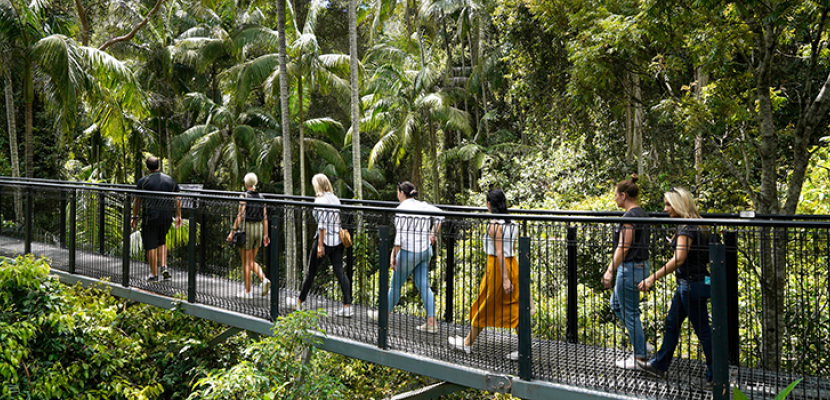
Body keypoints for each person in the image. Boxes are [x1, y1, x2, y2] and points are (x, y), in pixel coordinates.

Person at [637, 187, 713, 392]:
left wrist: (652, 278)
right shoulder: (699, 225)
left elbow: (679, 259)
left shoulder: (686, 228)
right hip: (694, 284)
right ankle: (659, 365)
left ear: (679, 205)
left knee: (703, 331)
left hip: (691, 285)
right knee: (672, 324)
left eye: (668, 204)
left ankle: (715, 376)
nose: (665, 208)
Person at [448, 189, 520, 360]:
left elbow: (500, 252)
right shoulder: (513, 223)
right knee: (514, 306)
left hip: (497, 267)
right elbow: (513, 248)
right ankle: (524, 349)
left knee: (485, 303)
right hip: (513, 265)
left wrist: (504, 279)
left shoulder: (494, 225)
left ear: (489, 204)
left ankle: (466, 343)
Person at [368, 181, 443, 333]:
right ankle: (431, 322)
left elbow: (399, 239)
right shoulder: (423, 205)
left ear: (401, 193)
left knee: (395, 286)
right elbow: (441, 216)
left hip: (409, 253)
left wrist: (393, 255)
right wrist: (432, 232)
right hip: (425, 251)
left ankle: (382, 315)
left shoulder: (401, 209)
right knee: (425, 286)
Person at [601, 174, 652, 369]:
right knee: (616, 305)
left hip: (630, 268)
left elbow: (624, 246)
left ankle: (639, 357)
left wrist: (609, 270)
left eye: (615, 195)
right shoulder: (642, 213)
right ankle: (641, 342)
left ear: (623, 196)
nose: (614, 199)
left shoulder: (630, 217)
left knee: (630, 313)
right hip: (640, 266)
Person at [294, 174, 353, 317]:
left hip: (325, 241)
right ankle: (347, 306)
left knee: (311, 272)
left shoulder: (320, 200)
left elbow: (322, 226)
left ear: (317, 185)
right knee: (340, 272)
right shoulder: (335, 199)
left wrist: (320, 245)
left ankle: (299, 302)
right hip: (337, 241)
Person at [131, 156, 182, 282]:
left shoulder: (143, 181)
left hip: (150, 217)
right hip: (166, 217)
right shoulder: (169, 179)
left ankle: (154, 275)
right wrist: (178, 215)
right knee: (162, 241)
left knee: (150, 245)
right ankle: (164, 266)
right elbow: (177, 198)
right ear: (158, 165)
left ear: (147, 167)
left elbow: (137, 201)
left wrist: (135, 217)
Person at [225, 173, 271, 297]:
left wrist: (232, 232)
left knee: (246, 262)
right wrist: (266, 235)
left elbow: (241, 215)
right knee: (251, 261)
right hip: (259, 229)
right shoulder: (262, 197)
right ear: (255, 183)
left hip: (248, 228)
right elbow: (265, 217)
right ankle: (264, 279)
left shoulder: (244, 196)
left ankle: (248, 291)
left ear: (246, 184)